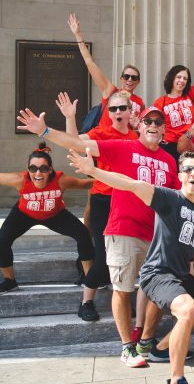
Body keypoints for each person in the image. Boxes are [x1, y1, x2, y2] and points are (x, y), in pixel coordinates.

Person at [17, 106, 180, 368]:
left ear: (164, 128)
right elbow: (78, 143)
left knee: (156, 291)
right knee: (123, 289)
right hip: (124, 230)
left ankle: (144, 341)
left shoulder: (170, 161)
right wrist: (45, 131)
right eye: (147, 120)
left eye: (158, 121)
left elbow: (176, 200)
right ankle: (127, 347)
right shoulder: (123, 147)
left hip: (156, 235)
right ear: (139, 126)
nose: (152, 125)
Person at [68, 148, 194, 384]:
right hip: (158, 272)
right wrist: (93, 171)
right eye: (187, 169)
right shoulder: (169, 198)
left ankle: (159, 349)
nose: (193, 173)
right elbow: (131, 184)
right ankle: (177, 378)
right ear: (180, 175)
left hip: (179, 275)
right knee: (187, 308)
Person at [55, 91, 139, 322]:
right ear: (108, 113)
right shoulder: (101, 133)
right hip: (104, 201)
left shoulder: (136, 137)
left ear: (130, 111)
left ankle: (122, 301)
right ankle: (86, 301)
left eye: (122, 108)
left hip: (128, 202)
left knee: (126, 256)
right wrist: (70, 117)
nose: (118, 112)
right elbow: (74, 144)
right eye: (113, 109)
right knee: (103, 257)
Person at [0, 143, 94, 310]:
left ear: (50, 170)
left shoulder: (61, 180)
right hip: (25, 214)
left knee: (83, 234)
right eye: (33, 168)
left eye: (43, 168)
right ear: (28, 169)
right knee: (2, 240)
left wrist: (106, 175)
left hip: (55, 214)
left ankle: (89, 277)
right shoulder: (20, 180)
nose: (38, 173)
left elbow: (87, 184)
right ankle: (9, 280)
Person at [68, 13, 146, 126]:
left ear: (138, 81)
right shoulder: (110, 90)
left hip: (126, 141)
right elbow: (89, 63)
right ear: (121, 78)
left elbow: (139, 128)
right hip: (106, 140)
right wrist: (78, 34)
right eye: (126, 76)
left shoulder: (140, 103)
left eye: (134, 77)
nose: (129, 80)